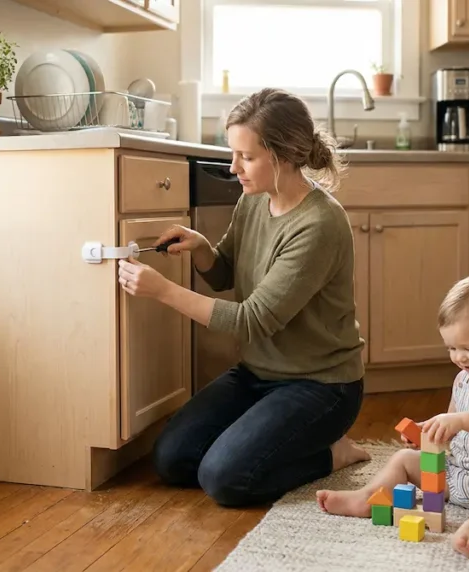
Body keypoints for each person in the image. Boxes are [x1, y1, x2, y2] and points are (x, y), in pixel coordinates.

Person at [115, 87, 370, 507]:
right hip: (258, 374)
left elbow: (253, 320)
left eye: (246, 157)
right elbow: (224, 275)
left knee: (224, 478)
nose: (234, 168)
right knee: (171, 459)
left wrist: (163, 291)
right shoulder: (254, 202)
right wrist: (201, 248)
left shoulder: (319, 224)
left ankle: (331, 452)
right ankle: (274, 440)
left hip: (321, 387)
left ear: (284, 156)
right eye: (233, 154)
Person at [316, 275, 469, 560]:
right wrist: (427, 432)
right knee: (402, 459)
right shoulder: (463, 379)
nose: (460, 357)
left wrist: (460, 420)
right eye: (451, 348)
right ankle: (367, 498)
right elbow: (450, 428)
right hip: (458, 474)